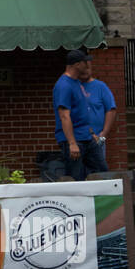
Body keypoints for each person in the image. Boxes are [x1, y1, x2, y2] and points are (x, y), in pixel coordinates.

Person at [52, 49, 105, 180]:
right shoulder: (64, 85)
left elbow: (82, 111)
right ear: (77, 65)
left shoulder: (76, 82)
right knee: (76, 177)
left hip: (87, 137)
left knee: (102, 171)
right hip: (75, 140)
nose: (87, 64)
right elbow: (64, 116)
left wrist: (91, 132)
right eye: (85, 62)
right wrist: (72, 143)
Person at [82, 68, 117, 170]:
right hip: (79, 139)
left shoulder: (101, 86)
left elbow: (111, 109)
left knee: (99, 172)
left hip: (97, 140)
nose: (85, 70)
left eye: (88, 67)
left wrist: (103, 134)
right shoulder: (74, 87)